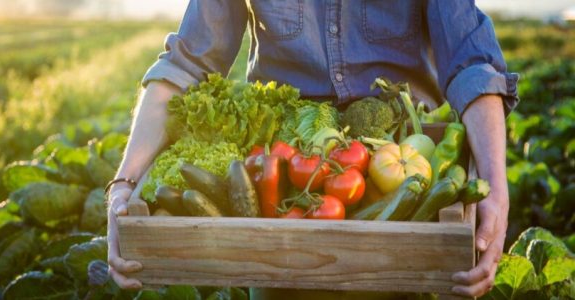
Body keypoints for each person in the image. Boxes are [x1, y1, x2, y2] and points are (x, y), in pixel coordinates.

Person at [106, 1, 518, 298]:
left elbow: (473, 66)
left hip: (402, 167)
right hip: (280, 188)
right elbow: (184, 66)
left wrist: (496, 187)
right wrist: (124, 184)